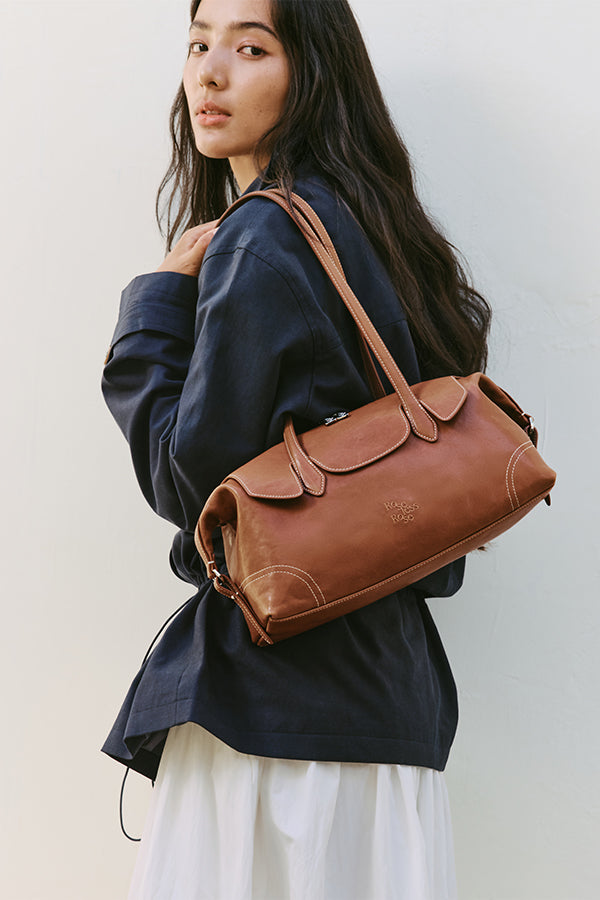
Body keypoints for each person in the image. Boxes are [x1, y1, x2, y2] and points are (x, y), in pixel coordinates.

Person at [102, 0, 491, 897]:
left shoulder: (267, 232)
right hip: (387, 712)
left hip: (274, 725)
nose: (209, 72)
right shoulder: (378, 230)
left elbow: (193, 484)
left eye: (250, 47)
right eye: (199, 45)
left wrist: (153, 309)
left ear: (311, 69)